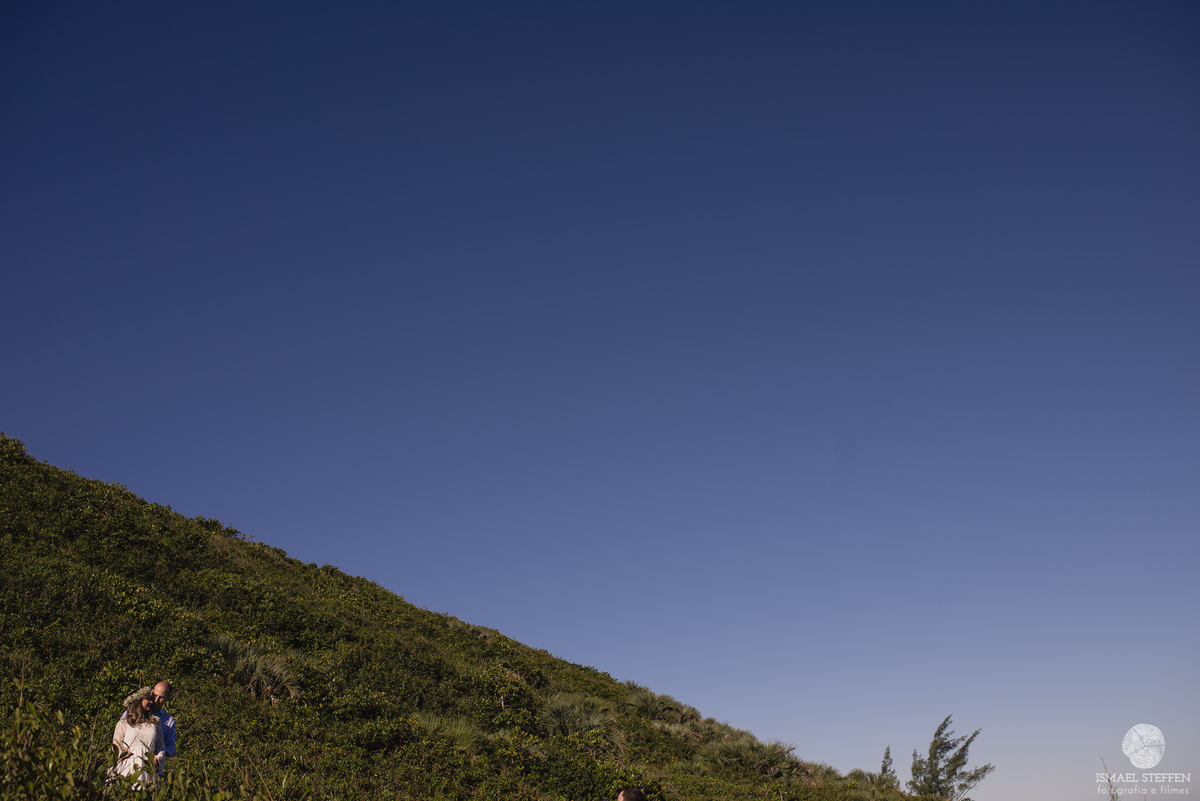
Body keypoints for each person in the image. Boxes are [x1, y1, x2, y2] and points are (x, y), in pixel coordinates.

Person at [111, 686, 166, 788]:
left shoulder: (155, 722)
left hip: (148, 768)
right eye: (148, 699)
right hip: (128, 768)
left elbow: (161, 747)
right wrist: (122, 753)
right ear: (138, 700)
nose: (151, 702)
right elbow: (115, 747)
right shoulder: (123, 724)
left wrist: (157, 758)